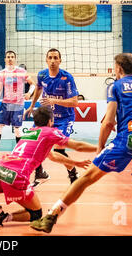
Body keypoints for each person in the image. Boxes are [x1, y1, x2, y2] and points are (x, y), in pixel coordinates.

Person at [30, 53, 132, 236]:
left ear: (118, 69)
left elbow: (108, 122)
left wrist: (100, 147)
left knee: (86, 178)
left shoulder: (116, 86)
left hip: (127, 139)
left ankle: (50, 217)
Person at [25, 48, 80, 187]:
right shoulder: (42, 75)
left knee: (58, 149)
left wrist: (54, 101)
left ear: (60, 60)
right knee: (33, 142)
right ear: (46, 60)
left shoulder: (67, 78)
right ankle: (40, 173)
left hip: (65, 118)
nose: (53, 61)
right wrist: (32, 105)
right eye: (50, 58)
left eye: (56, 58)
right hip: (47, 118)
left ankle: (72, 172)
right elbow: (38, 88)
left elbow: (74, 102)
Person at [0, 51, 36, 162]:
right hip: (6, 103)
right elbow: (0, 88)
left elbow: (33, 84)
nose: (10, 59)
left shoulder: (21, 71)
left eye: (12, 57)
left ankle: (18, 154)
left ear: (15, 59)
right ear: (5, 59)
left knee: (17, 129)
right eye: (8, 57)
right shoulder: (2, 73)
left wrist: (29, 93)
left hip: (18, 104)